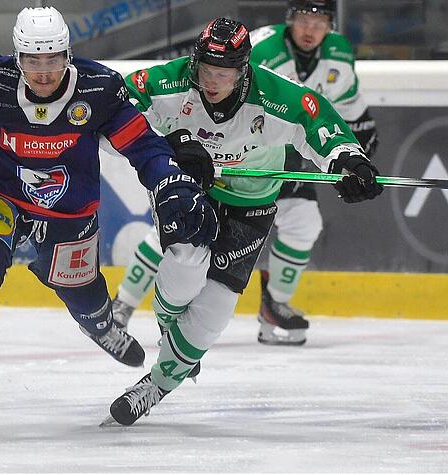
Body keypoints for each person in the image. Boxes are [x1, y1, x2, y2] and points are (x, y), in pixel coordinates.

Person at [0, 6, 217, 437]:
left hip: (68, 208)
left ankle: (101, 324)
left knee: (82, 293)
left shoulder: (99, 88)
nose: (44, 71)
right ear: (18, 58)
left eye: (53, 59)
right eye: (34, 60)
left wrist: (170, 183)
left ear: (68, 54)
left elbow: (142, 145)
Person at [102, 17, 382, 426]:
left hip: (252, 199)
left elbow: (316, 118)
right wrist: (169, 145)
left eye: (224, 73)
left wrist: (347, 159)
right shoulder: (167, 82)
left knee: (215, 309)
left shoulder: (273, 96)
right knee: (185, 265)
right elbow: (111, 116)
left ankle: (157, 385)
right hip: (189, 188)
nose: (212, 81)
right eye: (206, 70)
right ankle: (168, 326)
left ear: (244, 69)